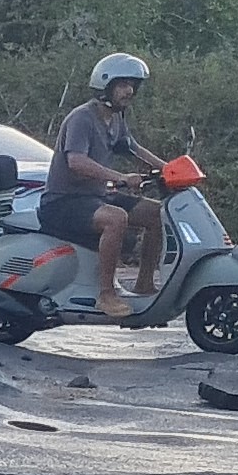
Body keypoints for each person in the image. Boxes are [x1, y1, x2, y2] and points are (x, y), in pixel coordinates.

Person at [47, 53, 167, 320]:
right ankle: (106, 294)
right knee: (116, 218)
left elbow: (134, 149)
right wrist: (121, 177)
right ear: (105, 86)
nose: (130, 91)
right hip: (64, 202)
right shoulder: (82, 118)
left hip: (95, 197)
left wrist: (172, 170)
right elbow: (76, 162)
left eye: (133, 85)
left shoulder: (115, 119)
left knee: (157, 214)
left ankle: (144, 283)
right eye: (123, 84)